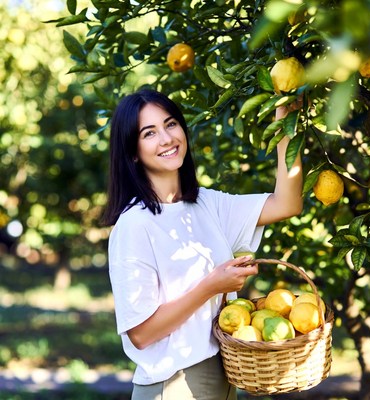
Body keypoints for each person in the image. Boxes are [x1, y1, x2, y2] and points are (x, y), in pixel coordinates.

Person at [103, 89, 303, 400]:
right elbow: (141, 333)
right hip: (173, 386)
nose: (167, 139)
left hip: (223, 377)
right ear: (132, 151)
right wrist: (211, 286)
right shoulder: (134, 225)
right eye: (149, 133)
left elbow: (286, 203)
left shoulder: (207, 204)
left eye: (170, 124)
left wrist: (286, 127)